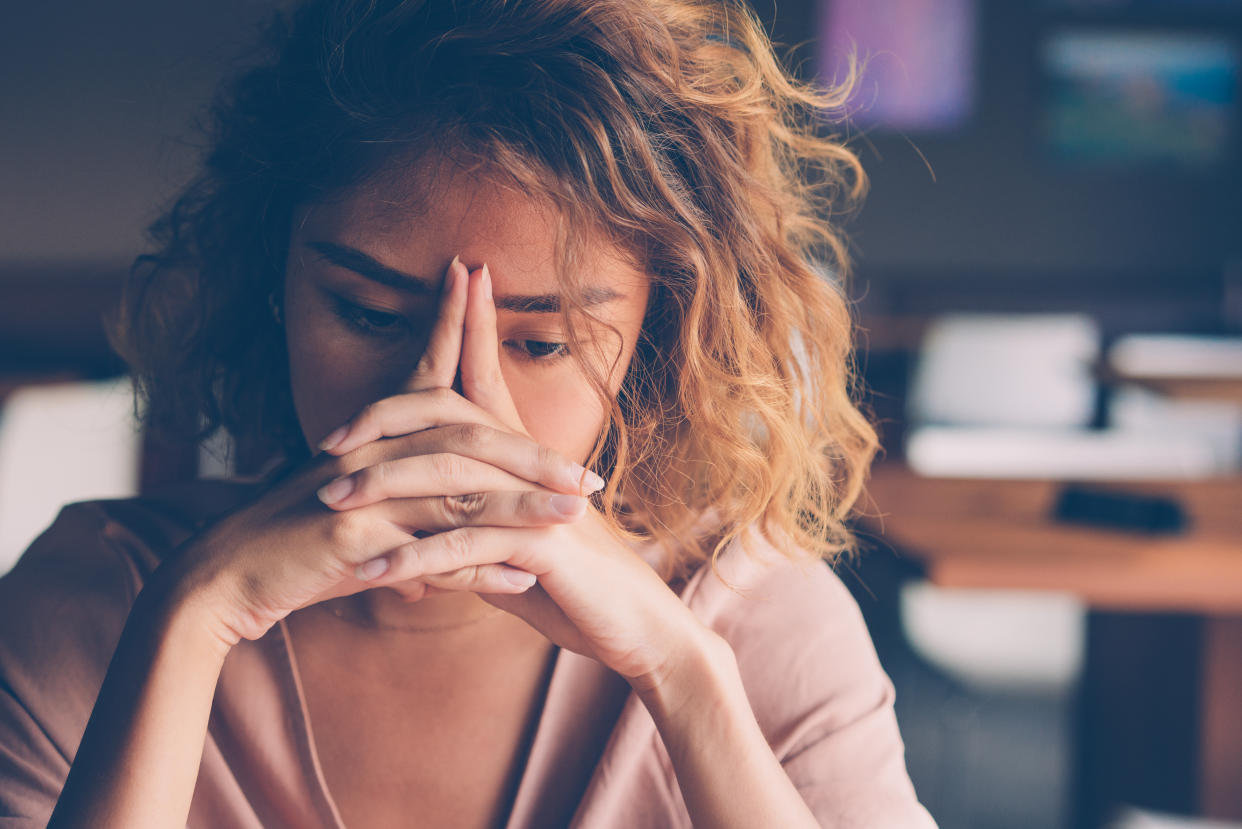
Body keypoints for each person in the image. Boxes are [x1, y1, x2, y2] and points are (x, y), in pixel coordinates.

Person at [0, 0, 936, 826]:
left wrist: (685, 682)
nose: (445, 404)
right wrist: (193, 621)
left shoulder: (754, 627)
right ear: (273, 280)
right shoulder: (98, 604)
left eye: (541, 342)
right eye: (367, 313)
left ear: (656, 336)